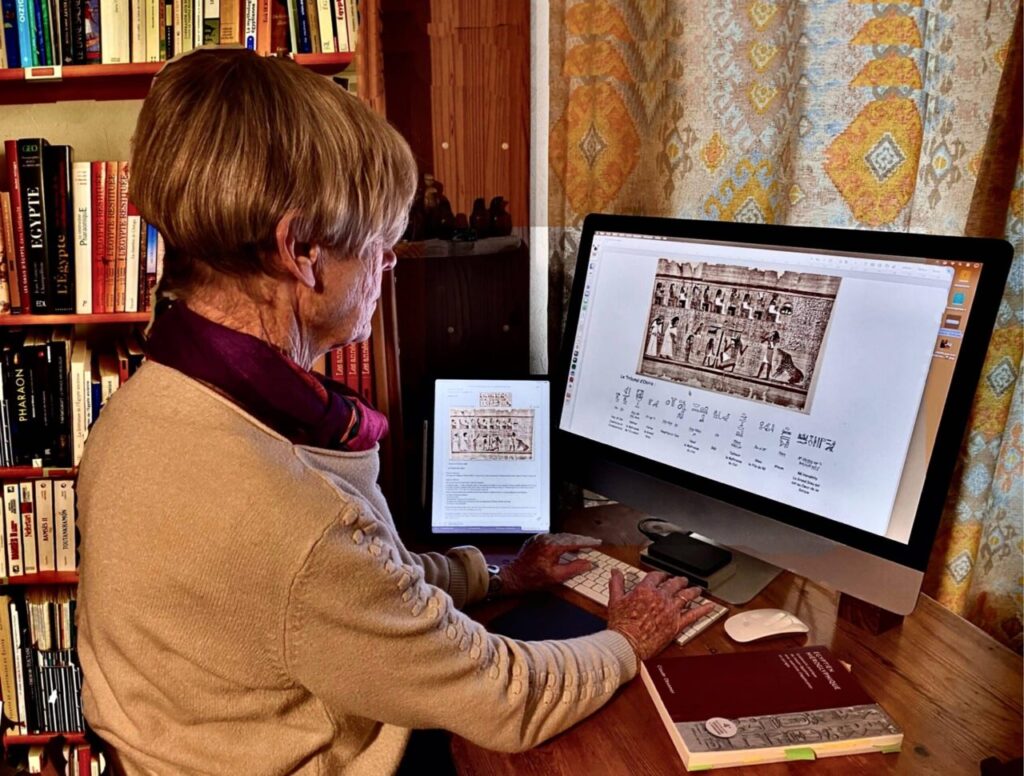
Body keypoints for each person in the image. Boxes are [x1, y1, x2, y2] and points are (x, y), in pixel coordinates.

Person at [74, 49, 712, 776]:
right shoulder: (287, 514)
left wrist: (496, 578)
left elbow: (347, 597)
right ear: (302, 250)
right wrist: (629, 637)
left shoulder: (147, 405)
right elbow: (505, 698)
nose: (391, 263)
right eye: (378, 241)